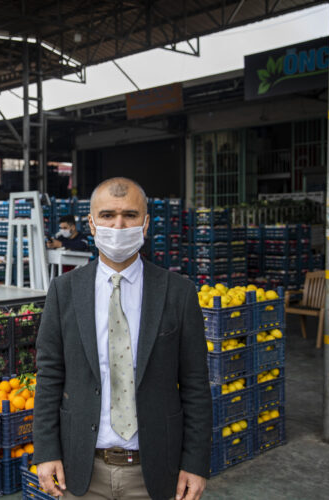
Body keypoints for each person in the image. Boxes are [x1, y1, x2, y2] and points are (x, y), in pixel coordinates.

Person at [33, 177, 211, 500]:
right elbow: (49, 376)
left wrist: (196, 462)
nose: (118, 225)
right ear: (91, 223)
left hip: (156, 470)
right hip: (82, 469)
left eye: (130, 215)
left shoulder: (178, 293)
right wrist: (46, 451)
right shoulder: (64, 292)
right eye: (107, 215)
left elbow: (196, 384)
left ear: (145, 225)